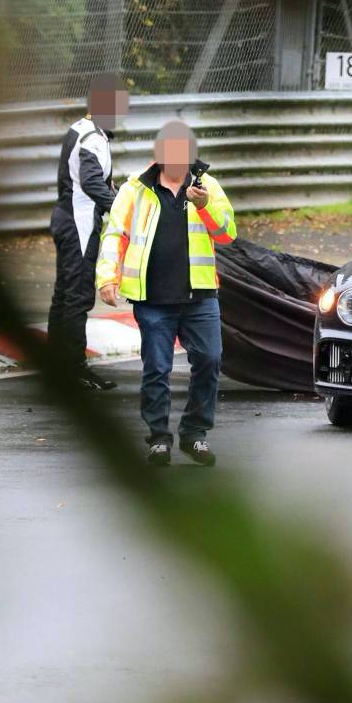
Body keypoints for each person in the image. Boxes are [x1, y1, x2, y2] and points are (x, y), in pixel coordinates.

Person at [96, 120, 236, 466]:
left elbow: (227, 234)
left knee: (210, 360)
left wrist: (204, 206)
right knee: (156, 369)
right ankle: (158, 438)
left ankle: (194, 434)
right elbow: (114, 234)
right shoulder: (135, 189)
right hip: (153, 299)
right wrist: (107, 277)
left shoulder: (207, 186)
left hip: (200, 297)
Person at [48, 74, 127, 391]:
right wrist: (119, 210)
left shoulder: (81, 128)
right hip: (78, 225)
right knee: (77, 297)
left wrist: (116, 194)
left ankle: (56, 368)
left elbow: (96, 181)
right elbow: (92, 182)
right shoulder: (93, 138)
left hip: (66, 219)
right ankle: (73, 370)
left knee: (64, 295)